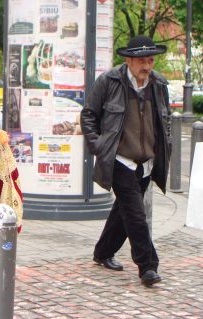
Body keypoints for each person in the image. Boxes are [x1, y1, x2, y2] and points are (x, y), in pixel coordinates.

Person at [80, 35, 171, 287]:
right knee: (135, 213)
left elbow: (165, 121)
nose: (147, 66)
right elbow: (88, 115)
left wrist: (165, 147)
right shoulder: (109, 81)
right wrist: (98, 146)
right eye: (142, 61)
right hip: (120, 159)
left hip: (146, 162)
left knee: (123, 212)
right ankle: (148, 266)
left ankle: (103, 252)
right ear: (129, 60)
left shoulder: (159, 84)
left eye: (150, 60)